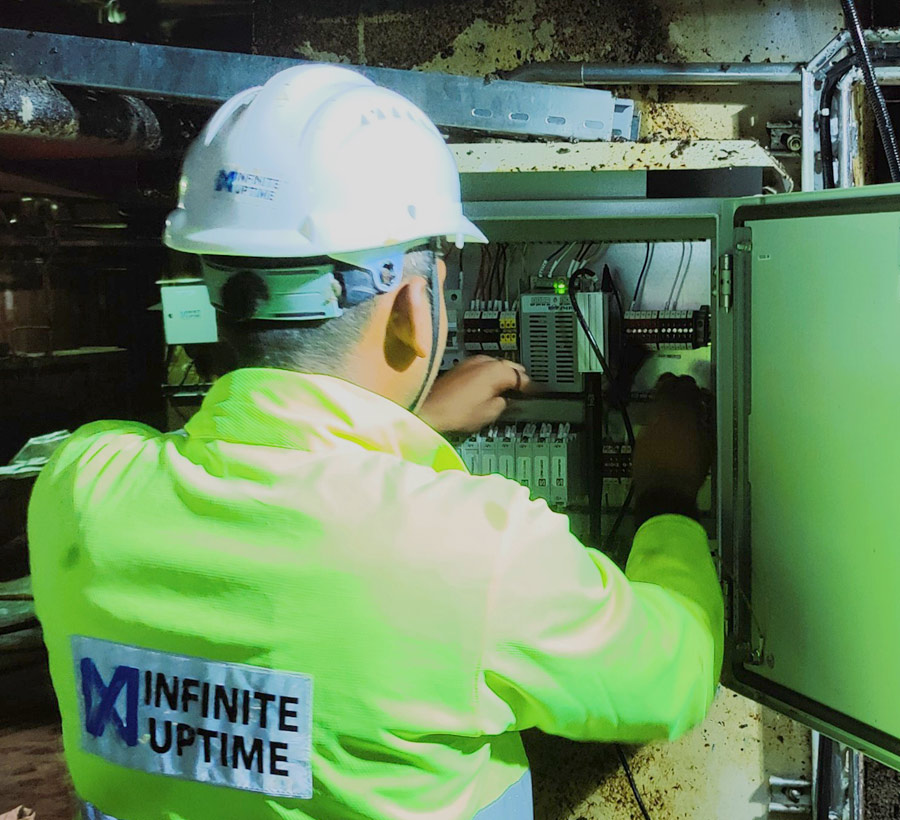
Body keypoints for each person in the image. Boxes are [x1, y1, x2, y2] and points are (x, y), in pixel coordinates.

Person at [28, 65, 723, 820]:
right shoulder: (474, 551)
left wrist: (414, 429)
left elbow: (291, 536)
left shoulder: (80, 486)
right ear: (413, 313)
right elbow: (672, 679)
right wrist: (666, 493)